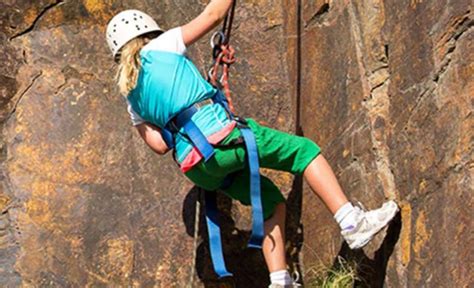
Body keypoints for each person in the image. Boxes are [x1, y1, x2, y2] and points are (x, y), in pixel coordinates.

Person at [105, 1, 399, 287]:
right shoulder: (163, 46)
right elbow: (215, 13)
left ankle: (279, 280)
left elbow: (159, 145)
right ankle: (352, 223)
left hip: (198, 167)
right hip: (222, 138)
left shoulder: (131, 97)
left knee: (270, 201)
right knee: (304, 152)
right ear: (149, 31)